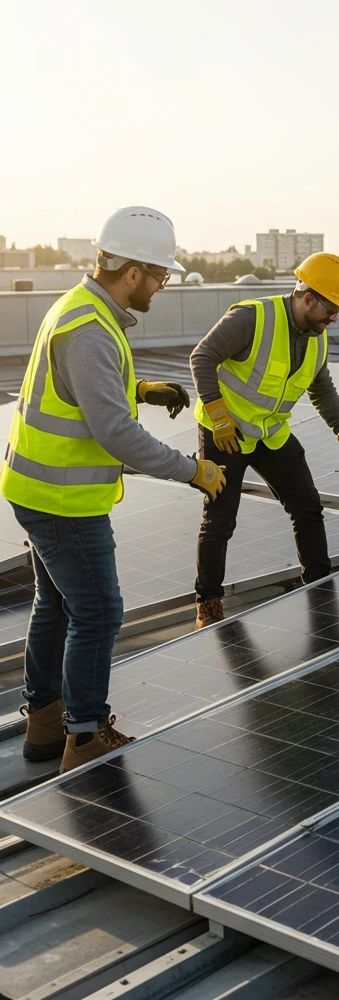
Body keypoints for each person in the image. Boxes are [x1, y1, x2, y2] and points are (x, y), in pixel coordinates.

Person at [1, 207, 226, 773]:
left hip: (37, 486)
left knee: (55, 603)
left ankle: (46, 724)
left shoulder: (81, 308)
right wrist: (192, 470)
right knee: (99, 611)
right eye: (160, 276)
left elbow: (83, 389)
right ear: (133, 271)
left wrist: (142, 388)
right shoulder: (92, 332)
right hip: (61, 499)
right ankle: (86, 736)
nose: (162, 286)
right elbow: (116, 434)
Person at [190, 252, 339, 628]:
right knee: (220, 519)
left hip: (270, 433)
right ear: (308, 298)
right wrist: (219, 416)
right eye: (332, 309)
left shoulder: (317, 336)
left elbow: (321, 389)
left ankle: (319, 585)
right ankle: (208, 603)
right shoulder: (252, 318)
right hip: (225, 432)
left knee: (307, 506)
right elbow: (202, 357)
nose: (335, 318)